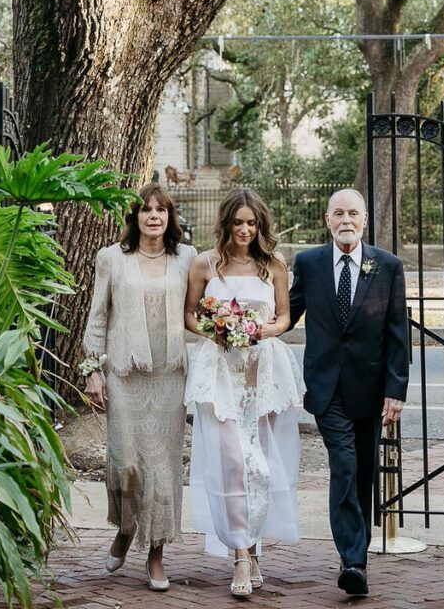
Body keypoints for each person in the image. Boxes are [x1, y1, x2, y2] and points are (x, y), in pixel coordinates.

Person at [184, 188, 304, 600]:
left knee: (261, 466)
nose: (245, 230)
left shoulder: (274, 265)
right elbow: (189, 316)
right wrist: (218, 330)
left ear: (260, 225)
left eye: (251, 223)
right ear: (226, 224)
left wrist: (264, 329)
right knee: (232, 462)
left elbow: (285, 317)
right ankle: (238, 555)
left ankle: (254, 550)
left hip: (262, 374)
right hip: (219, 372)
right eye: (238, 223)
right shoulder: (205, 264)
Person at [289, 188, 409, 596]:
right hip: (326, 388)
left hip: (371, 389)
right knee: (343, 464)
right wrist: (241, 324)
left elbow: (397, 333)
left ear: (364, 220)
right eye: (338, 213)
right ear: (327, 220)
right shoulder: (309, 263)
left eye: (352, 214)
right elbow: (286, 313)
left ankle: (354, 553)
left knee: (362, 470)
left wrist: (396, 390)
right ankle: (353, 560)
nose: (345, 220)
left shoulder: (387, 266)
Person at [81, 184, 196, 591]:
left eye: (161, 210)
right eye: (146, 210)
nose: (153, 216)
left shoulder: (186, 258)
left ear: (170, 217)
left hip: (169, 376)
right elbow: (97, 316)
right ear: (134, 217)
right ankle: (126, 529)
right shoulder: (111, 258)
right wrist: (92, 370)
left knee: (163, 469)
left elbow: (197, 310)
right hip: (125, 375)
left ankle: (156, 554)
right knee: (126, 464)